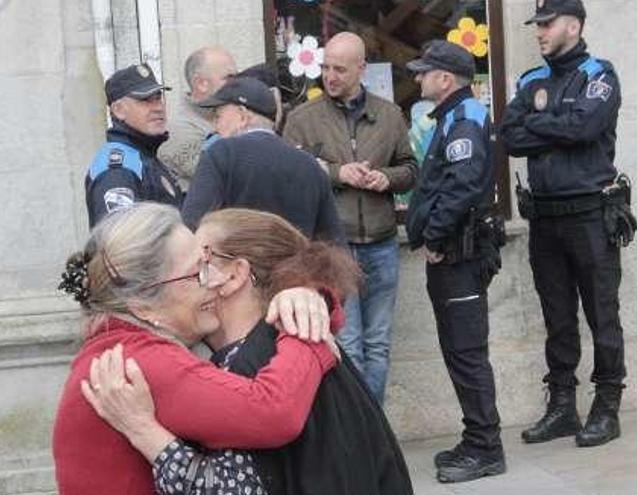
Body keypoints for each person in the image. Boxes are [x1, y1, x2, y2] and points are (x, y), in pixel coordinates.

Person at [83, 208, 415, 495]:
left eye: (200, 263)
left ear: (234, 275)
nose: (189, 276)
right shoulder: (297, 341)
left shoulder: (251, 365)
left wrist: (144, 430)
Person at [53, 202, 340, 495]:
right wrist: (308, 326)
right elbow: (274, 413)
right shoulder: (138, 362)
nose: (211, 281)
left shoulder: (119, 343)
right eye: (196, 274)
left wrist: (310, 298)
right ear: (142, 304)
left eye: (207, 263)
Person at [500, 0, 632, 448]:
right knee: (557, 318)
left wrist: (539, 122)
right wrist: (554, 124)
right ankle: (561, 407)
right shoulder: (531, 79)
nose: (538, 32)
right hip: (546, 220)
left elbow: (584, 127)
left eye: (546, 23)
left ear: (572, 26)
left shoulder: (599, 75)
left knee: (602, 314)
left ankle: (607, 404)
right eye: (537, 24)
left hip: (590, 215)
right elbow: (509, 137)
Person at [282, 32, 418, 404]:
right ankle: (365, 436)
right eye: (325, 67)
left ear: (362, 68)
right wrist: (337, 174)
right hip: (333, 248)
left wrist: (385, 178)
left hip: (382, 243)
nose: (330, 76)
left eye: (339, 69)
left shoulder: (389, 115)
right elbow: (291, 172)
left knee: (378, 344)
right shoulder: (302, 119)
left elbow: (410, 168)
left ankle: (373, 431)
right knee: (350, 344)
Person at [404, 40, 506, 483]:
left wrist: (437, 237)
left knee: (466, 352)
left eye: (424, 72)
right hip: (455, 253)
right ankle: (476, 438)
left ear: (445, 79)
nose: (418, 78)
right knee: (459, 350)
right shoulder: (453, 119)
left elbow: (461, 189)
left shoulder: (464, 122)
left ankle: (486, 448)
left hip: (460, 255)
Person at [181, 77, 345, 242]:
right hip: (296, 265)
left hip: (234, 264)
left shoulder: (221, 154)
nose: (215, 128)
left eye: (218, 117)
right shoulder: (310, 165)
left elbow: (192, 225)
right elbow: (334, 244)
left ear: (243, 115)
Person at [85, 64, 183, 228]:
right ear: (118, 110)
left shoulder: (144, 155)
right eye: (145, 100)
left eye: (158, 98)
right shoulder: (118, 169)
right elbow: (119, 243)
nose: (158, 107)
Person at [157, 46, 237, 188]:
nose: (237, 84)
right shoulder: (178, 131)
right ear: (201, 84)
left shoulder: (230, 114)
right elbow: (223, 173)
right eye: (229, 78)